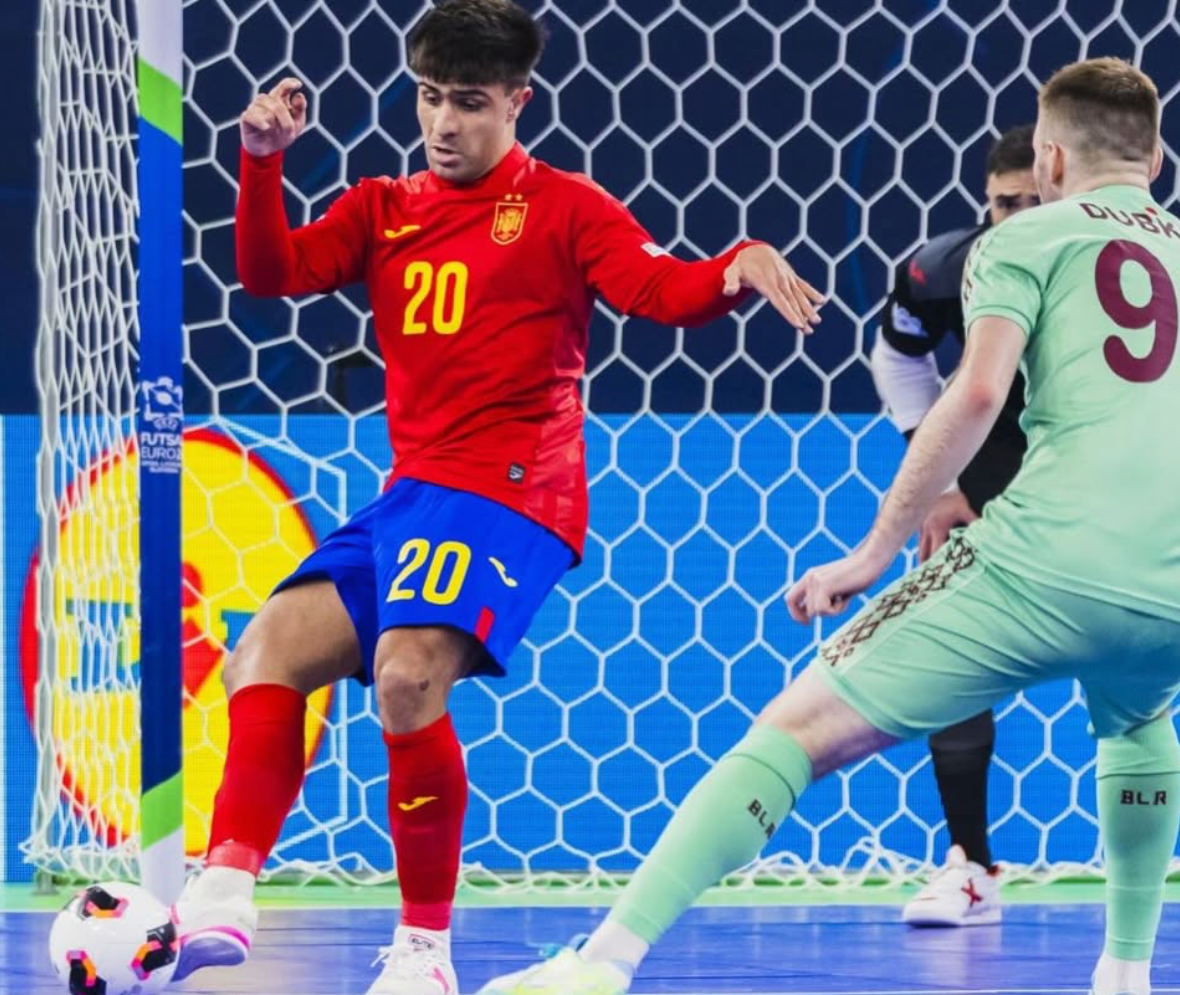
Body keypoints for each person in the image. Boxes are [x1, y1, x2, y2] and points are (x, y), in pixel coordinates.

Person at [478, 56, 1180, 995]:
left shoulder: (1021, 239)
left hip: (1044, 562)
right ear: (1156, 160)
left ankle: (599, 965)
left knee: (795, 730)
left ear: (1048, 160)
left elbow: (976, 393)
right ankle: (1126, 976)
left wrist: (874, 551)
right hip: (1169, 584)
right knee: (1136, 723)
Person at [168, 0, 824, 995]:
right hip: (413, 493)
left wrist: (739, 264)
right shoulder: (383, 207)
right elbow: (270, 273)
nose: (442, 122)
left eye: (468, 102)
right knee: (265, 651)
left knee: (405, 678)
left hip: (517, 492)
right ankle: (223, 891)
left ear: (518, 101)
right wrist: (261, 162)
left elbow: (662, 293)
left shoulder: (565, 207)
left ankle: (423, 953)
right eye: (429, 96)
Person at [870, 123, 1040, 926]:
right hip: (988, 499)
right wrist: (938, 484)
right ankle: (971, 867)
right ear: (985, 203)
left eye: (1037, 202)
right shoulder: (942, 272)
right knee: (951, 662)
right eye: (1006, 204)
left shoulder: (1133, 269)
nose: (1020, 221)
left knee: (1135, 689)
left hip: (1106, 500)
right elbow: (898, 355)